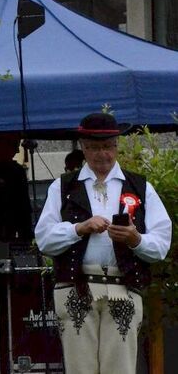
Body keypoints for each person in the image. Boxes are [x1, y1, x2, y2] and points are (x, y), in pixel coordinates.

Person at [35, 112, 172, 374]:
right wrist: (78, 229)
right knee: (80, 368)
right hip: (76, 287)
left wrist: (136, 240)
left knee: (120, 368)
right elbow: (44, 239)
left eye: (108, 147)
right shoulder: (62, 187)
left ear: (117, 146)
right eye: (95, 148)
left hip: (124, 287)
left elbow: (161, 244)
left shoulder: (141, 187)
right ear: (83, 148)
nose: (103, 155)